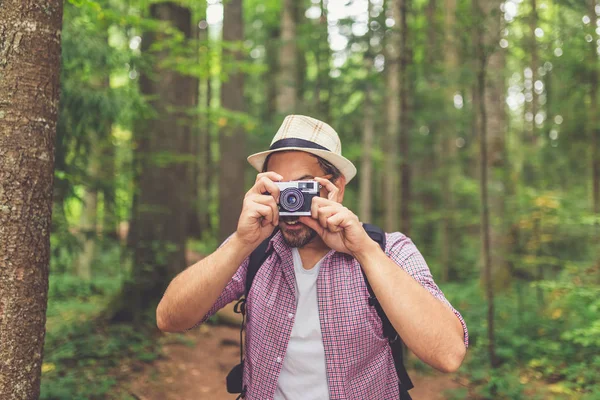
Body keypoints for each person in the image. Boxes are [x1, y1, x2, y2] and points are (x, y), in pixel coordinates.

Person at [156, 115, 468, 400]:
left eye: (304, 187)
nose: (291, 200)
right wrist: (241, 242)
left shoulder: (387, 249)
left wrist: (364, 251)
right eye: (280, 187)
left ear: (337, 188)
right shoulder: (255, 247)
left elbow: (448, 354)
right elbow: (170, 319)